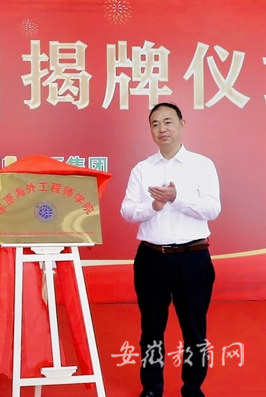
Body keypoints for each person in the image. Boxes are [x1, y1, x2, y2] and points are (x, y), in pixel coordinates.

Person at [120, 102, 221, 397]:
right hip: (152, 258)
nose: (162, 129)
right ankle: (152, 388)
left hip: (193, 258)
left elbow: (212, 209)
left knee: (194, 329)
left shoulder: (202, 165)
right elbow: (127, 211)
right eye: (155, 124)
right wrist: (153, 205)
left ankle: (193, 388)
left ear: (181, 124)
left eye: (167, 122)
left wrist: (178, 197)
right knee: (151, 328)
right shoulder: (142, 169)